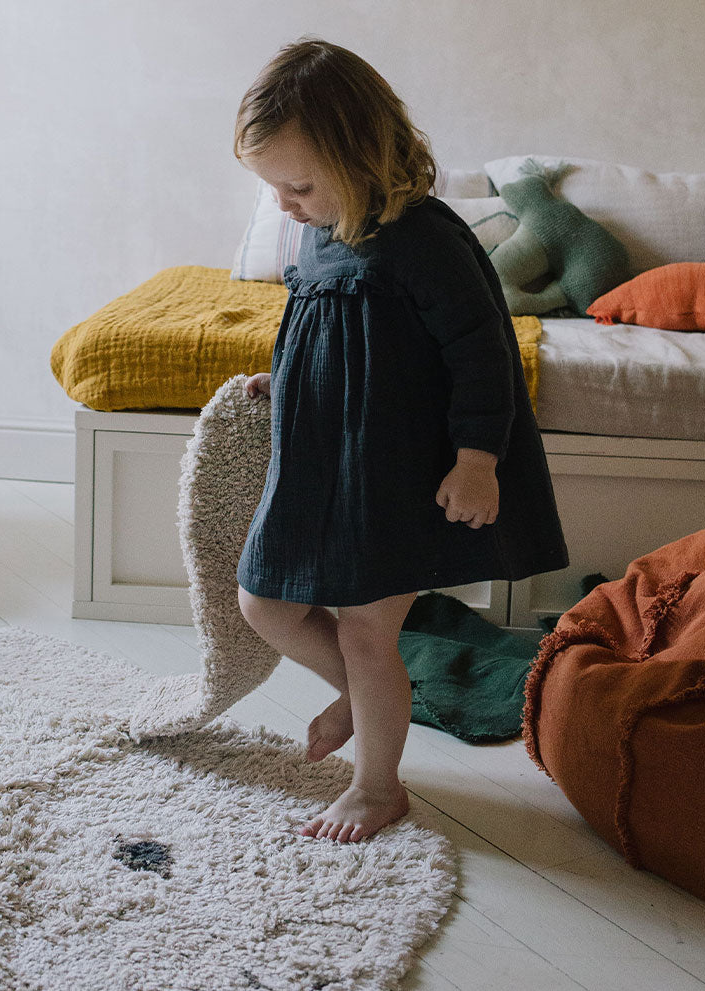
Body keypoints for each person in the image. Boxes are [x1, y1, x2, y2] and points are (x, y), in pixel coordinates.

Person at [233, 38, 568, 843]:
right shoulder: (319, 228)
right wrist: (287, 379)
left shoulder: (423, 240)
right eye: (273, 187)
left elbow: (484, 352)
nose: (285, 204)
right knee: (264, 601)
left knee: (364, 628)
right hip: (327, 462)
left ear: (363, 156)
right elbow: (323, 326)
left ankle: (378, 785)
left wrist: (478, 459)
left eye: (299, 185)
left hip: (399, 472)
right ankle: (360, 694)